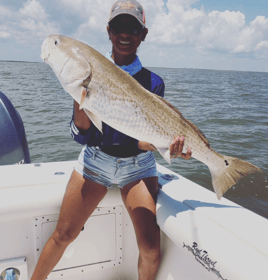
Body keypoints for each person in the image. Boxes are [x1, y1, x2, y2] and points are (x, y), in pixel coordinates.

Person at [30, 1, 191, 280]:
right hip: (95, 161)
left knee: (151, 248)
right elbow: (83, 135)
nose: (125, 34)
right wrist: (83, 94)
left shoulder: (153, 82)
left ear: (144, 33)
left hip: (138, 166)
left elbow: (142, 141)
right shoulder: (88, 69)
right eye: (119, 27)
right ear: (108, 31)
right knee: (63, 234)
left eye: (133, 28)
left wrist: (170, 147)